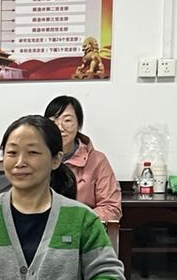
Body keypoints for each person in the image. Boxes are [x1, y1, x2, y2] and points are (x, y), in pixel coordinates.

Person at [0, 116, 126, 280]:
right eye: (12, 153)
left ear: (56, 160)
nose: (20, 162)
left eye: (33, 153)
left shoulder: (83, 218)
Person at [44, 95, 120, 223]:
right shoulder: (38, 158)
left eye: (67, 120)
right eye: (53, 121)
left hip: (83, 229)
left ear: (79, 124)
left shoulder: (97, 160)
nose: (60, 127)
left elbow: (111, 208)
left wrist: (77, 221)